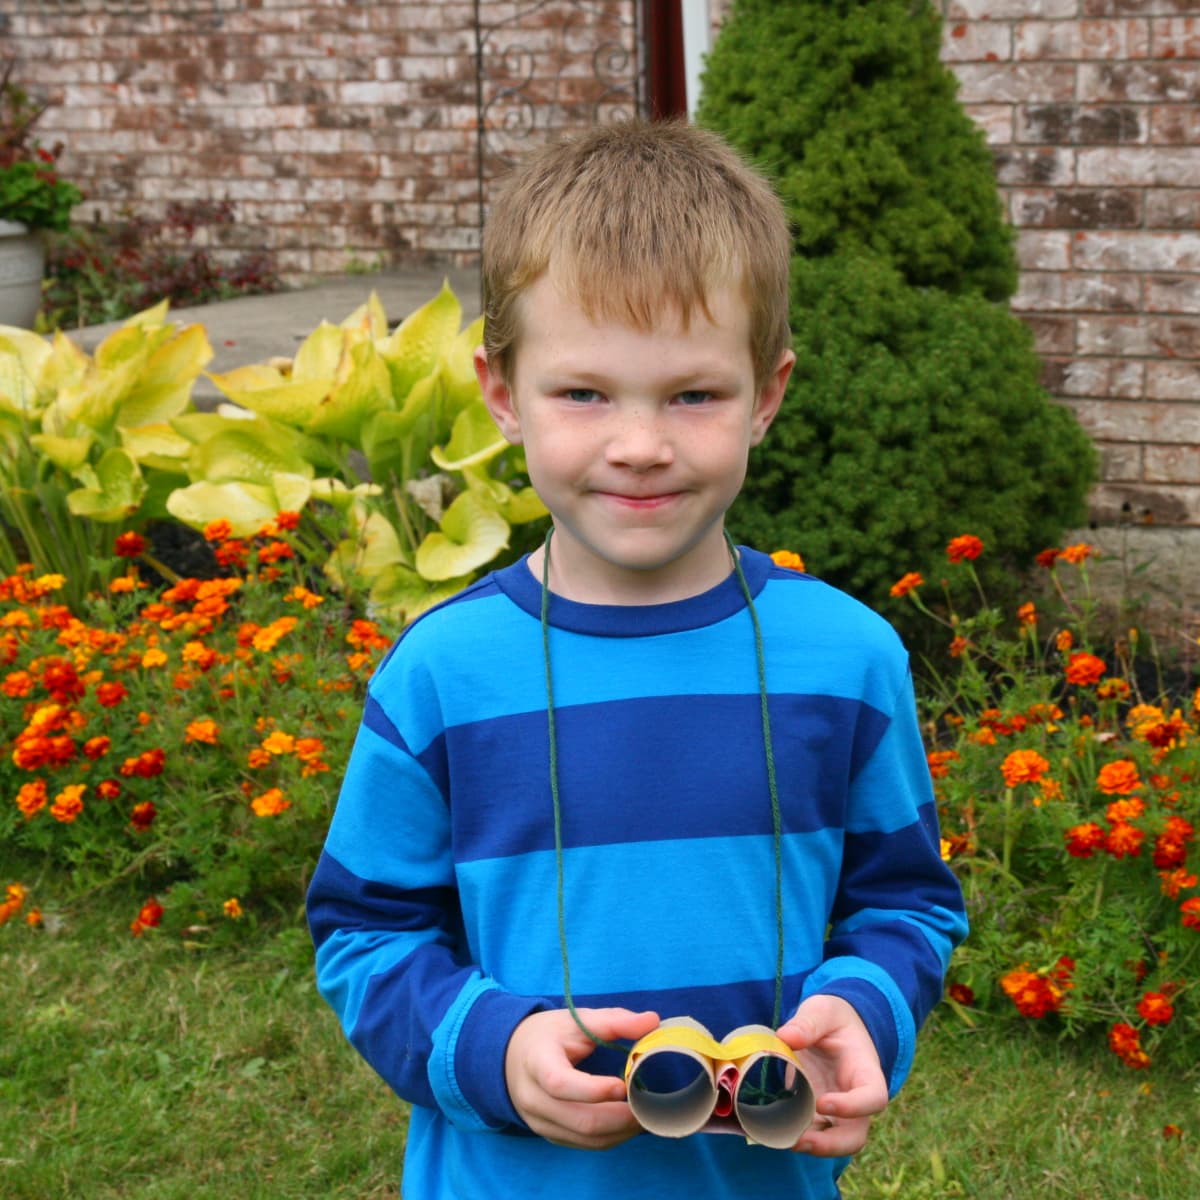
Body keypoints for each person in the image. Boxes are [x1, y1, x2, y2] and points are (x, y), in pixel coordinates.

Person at [306, 119, 967, 1200]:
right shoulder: (442, 673)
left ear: (770, 393)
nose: (641, 443)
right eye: (585, 393)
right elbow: (367, 931)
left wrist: (866, 1008)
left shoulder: (846, 658)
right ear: (503, 392)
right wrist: (493, 1051)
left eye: (693, 394)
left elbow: (905, 902)